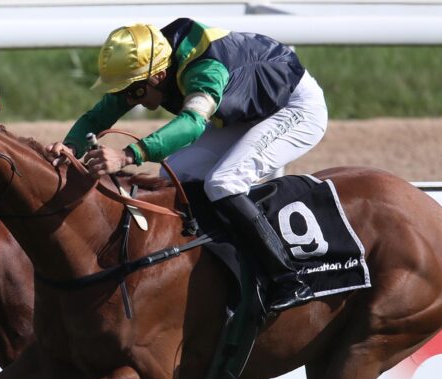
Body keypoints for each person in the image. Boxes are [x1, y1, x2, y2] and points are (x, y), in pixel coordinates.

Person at [43, 19, 328, 312]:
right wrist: (71, 146)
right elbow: (97, 117)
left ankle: (286, 278)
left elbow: (192, 125)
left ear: (159, 76)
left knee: (224, 182)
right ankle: (212, 263)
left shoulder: (205, 70)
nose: (128, 99)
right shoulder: (150, 66)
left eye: (134, 91)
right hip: (244, 109)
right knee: (175, 173)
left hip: (293, 108)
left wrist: (128, 155)